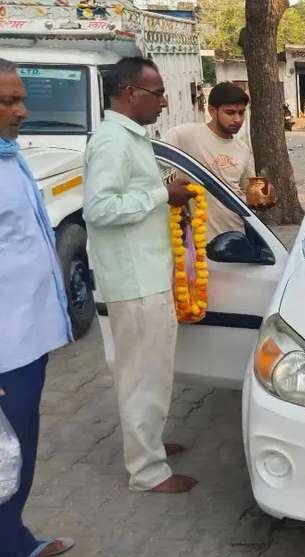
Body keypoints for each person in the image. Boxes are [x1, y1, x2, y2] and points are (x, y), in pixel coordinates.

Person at [82, 57, 198, 494]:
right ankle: (147, 472)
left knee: (153, 371)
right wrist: (160, 194)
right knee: (141, 375)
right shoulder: (112, 141)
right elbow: (100, 208)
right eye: (158, 92)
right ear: (130, 92)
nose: (166, 102)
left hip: (147, 275)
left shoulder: (130, 138)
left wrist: (166, 199)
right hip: (134, 282)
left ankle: (148, 444)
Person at [0, 57, 76, 557]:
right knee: (8, 458)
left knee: (16, 451)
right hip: (6, 350)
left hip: (27, 340)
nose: (22, 110)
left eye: (22, 98)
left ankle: (14, 540)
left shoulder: (10, 157)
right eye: (8, 101)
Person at [164, 82, 254, 239]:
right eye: (230, 113)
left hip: (236, 235)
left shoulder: (242, 149)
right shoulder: (184, 135)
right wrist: (167, 193)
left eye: (241, 113)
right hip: (198, 240)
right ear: (212, 111)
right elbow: (152, 163)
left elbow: (248, 189)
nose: (237, 119)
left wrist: (263, 196)